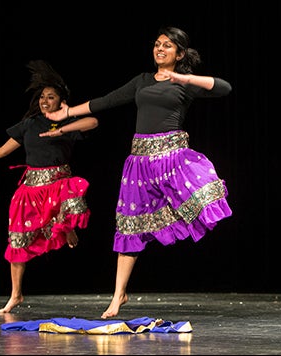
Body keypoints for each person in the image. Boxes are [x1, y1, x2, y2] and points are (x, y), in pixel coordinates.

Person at [46, 26, 233, 319]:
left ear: (179, 53)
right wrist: (66, 113)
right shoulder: (142, 81)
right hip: (140, 164)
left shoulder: (184, 84)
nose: (160, 49)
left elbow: (224, 88)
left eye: (168, 46)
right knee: (129, 227)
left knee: (202, 201)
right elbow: (106, 101)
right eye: (157, 44)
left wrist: (185, 78)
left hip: (171, 159)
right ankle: (118, 295)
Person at [0, 60, 99, 315]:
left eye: (51, 97)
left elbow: (92, 123)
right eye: (42, 97)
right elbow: (4, 150)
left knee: (74, 197)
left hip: (59, 184)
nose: (45, 101)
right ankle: (16, 294)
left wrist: (65, 123)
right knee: (17, 240)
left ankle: (65, 227)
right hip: (31, 189)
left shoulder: (66, 123)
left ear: (61, 100)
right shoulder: (29, 124)